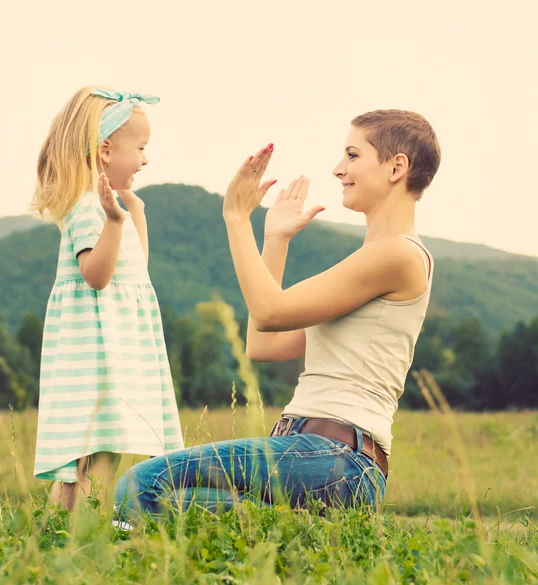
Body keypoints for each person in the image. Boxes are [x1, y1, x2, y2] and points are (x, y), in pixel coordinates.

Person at [114, 109, 439, 521]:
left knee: (141, 486)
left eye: (353, 155)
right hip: (314, 458)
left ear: (397, 167)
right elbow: (263, 343)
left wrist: (235, 217)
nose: (339, 169)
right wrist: (275, 239)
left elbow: (269, 312)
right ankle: (299, 536)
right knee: (179, 506)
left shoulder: (398, 255)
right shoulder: (372, 261)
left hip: (335, 456)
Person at [31, 86, 184, 513]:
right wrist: (115, 219)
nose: (146, 158)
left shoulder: (110, 208)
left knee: (88, 460)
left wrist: (133, 213)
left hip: (114, 351)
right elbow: (98, 276)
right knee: (100, 454)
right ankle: (95, 540)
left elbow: (136, 272)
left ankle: (56, 534)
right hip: (99, 358)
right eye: (140, 148)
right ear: (105, 151)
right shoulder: (86, 208)